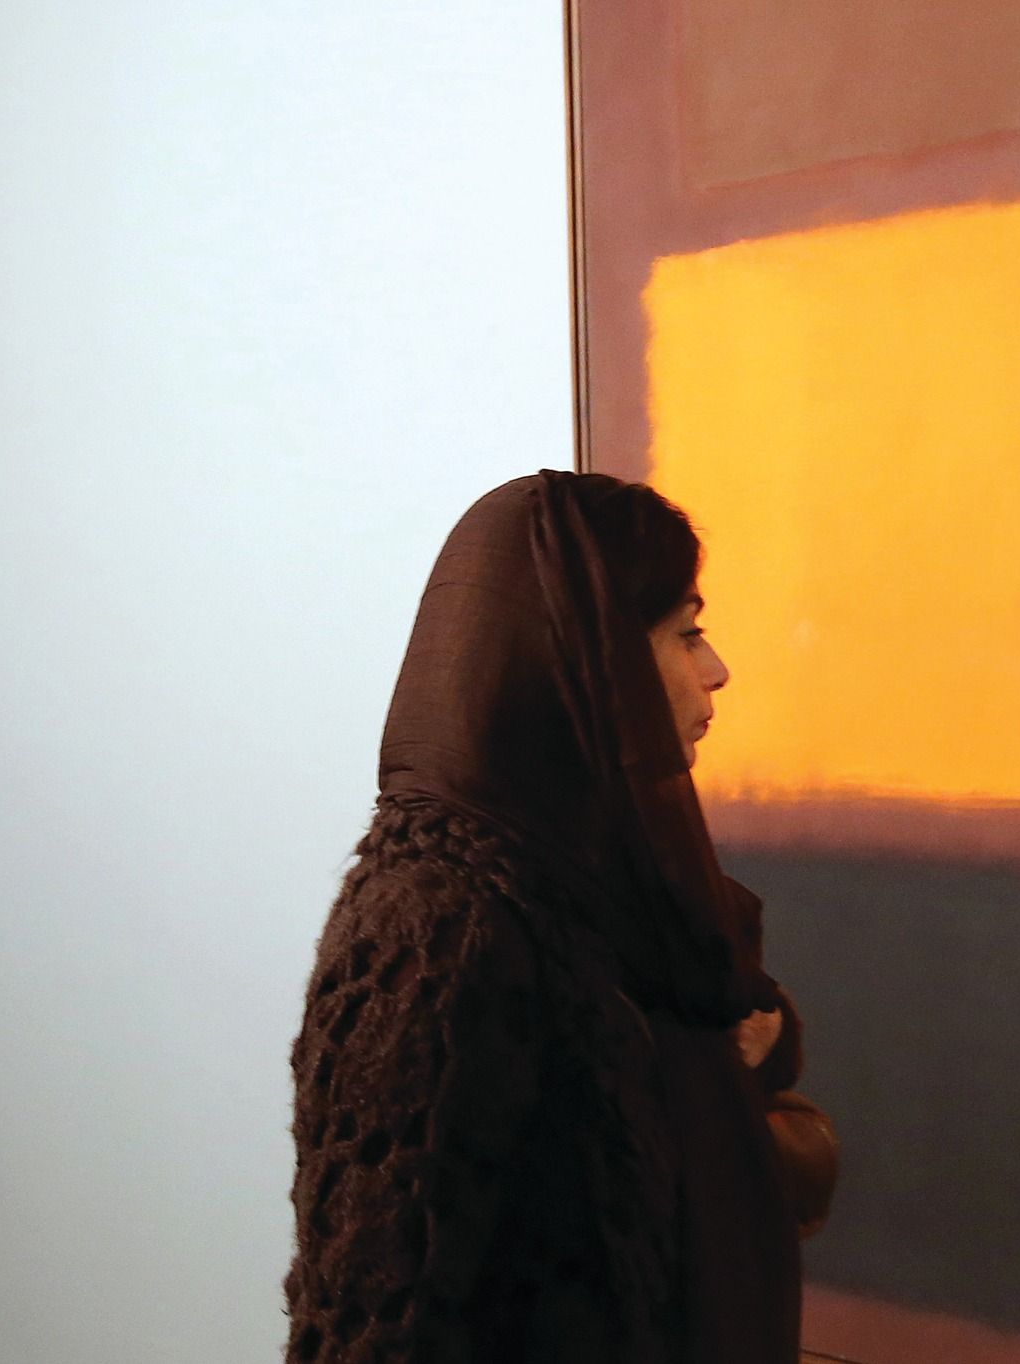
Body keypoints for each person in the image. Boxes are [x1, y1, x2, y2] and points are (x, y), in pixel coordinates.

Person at [283, 471, 836, 1363]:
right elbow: (377, 1322)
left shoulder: (616, 874)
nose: (716, 669)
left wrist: (757, 1044)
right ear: (588, 660)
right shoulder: (437, 929)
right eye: (685, 633)